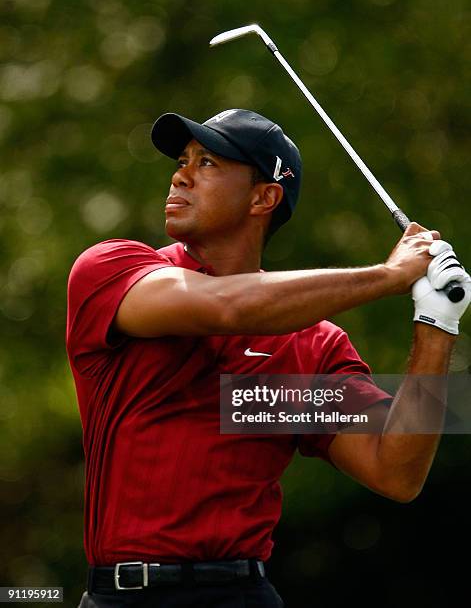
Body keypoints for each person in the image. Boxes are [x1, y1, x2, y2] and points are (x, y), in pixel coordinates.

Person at [67, 109, 470, 608]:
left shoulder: (310, 346)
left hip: (243, 596)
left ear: (264, 197)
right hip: (125, 598)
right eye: (182, 160)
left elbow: (396, 471)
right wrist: (389, 276)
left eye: (208, 162)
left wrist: (437, 325)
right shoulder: (112, 269)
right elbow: (228, 306)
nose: (180, 174)